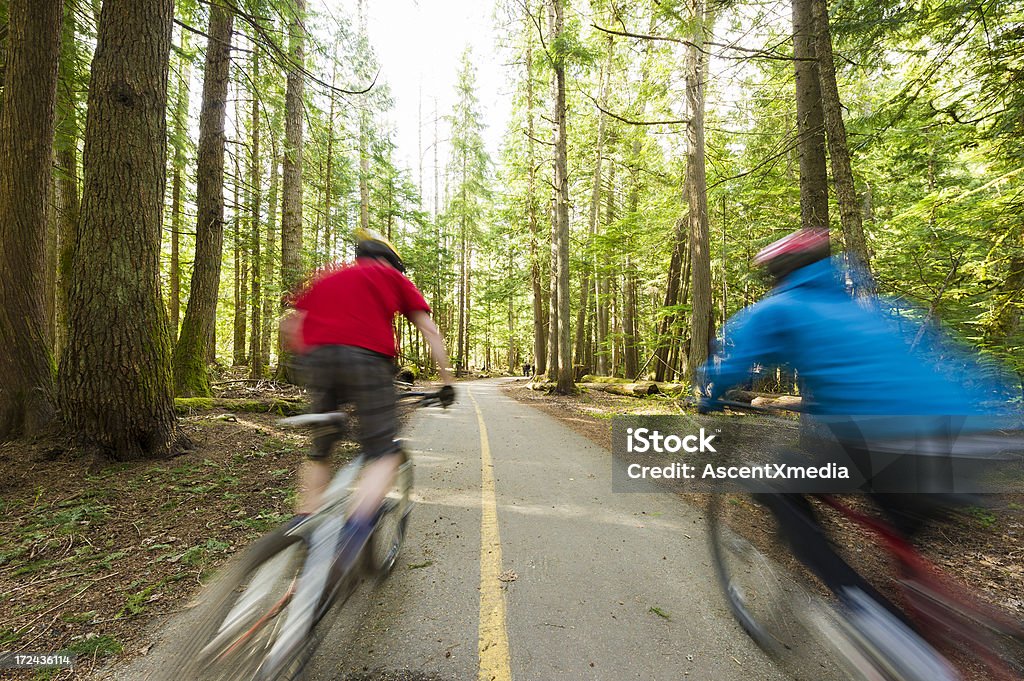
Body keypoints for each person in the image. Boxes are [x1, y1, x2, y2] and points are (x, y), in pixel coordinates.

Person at [698, 227, 1008, 679]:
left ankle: (889, 633)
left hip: (887, 441)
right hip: (969, 437)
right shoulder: (870, 310)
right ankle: (928, 627)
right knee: (903, 552)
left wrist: (708, 394)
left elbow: (732, 367)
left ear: (778, 273)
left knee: (773, 485)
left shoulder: (780, 307)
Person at [285, 228, 455, 570]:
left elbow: (290, 325)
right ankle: (354, 531)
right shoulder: (391, 277)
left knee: (320, 450)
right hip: (368, 361)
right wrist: (447, 380)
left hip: (317, 362)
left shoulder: (329, 277)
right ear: (390, 262)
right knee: (383, 453)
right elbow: (429, 329)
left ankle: (303, 524)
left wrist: (308, 363)